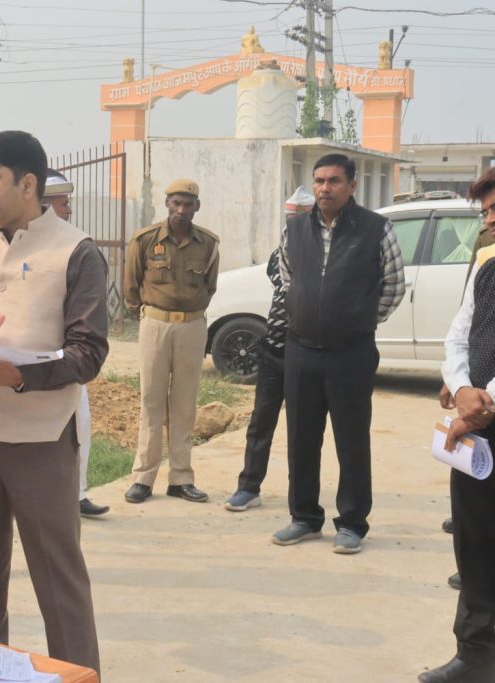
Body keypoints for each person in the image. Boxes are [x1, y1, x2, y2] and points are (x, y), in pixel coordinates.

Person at [0, 130, 105, 673]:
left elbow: (89, 353)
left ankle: (78, 674)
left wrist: (20, 377)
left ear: (28, 184)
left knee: (58, 580)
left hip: (42, 437)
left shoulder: (76, 250)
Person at [272, 153, 405, 554]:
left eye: (333, 181)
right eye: (319, 181)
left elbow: (394, 285)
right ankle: (304, 517)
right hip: (302, 351)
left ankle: (351, 523)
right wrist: (304, 313)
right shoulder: (295, 229)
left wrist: (358, 320)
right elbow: (288, 278)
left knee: (351, 441)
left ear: (352, 186)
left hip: (351, 354)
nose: (324, 188)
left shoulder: (375, 229)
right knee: (301, 439)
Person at [419, 172, 495, 683]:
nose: (489, 220)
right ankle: (476, 653)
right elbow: (459, 333)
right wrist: (462, 386)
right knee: (474, 541)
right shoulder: (487, 263)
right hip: (479, 427)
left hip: (482, 413)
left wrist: (481, 403)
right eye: (485, 212)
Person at [123, 179, 220, 505]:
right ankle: (143, 478)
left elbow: (209, 286)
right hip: (155, 324)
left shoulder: (208, 244)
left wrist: (190, 312)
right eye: (176, 203)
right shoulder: (146, 239)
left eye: (187, 204)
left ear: (196, 206)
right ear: (167, 204)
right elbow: (131, 285)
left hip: (192, 327)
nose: (181, 210)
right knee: (151, 401)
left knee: (184, 403)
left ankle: (181, 478)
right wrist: (146, 314)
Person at [44, 168, 109, 517]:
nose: (68, 210)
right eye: (63, 203)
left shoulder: (76, 247)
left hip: (69, 358)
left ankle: (77, 493)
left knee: (79, 427)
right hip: (28, 362)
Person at [224, 247, 287, 511]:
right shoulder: (279, 254)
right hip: (273, 350)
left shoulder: (324, 253)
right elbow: (276, 280)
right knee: (261, 421)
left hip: (306, 352)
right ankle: (249, 488)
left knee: (303, 428)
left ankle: (302, 495)